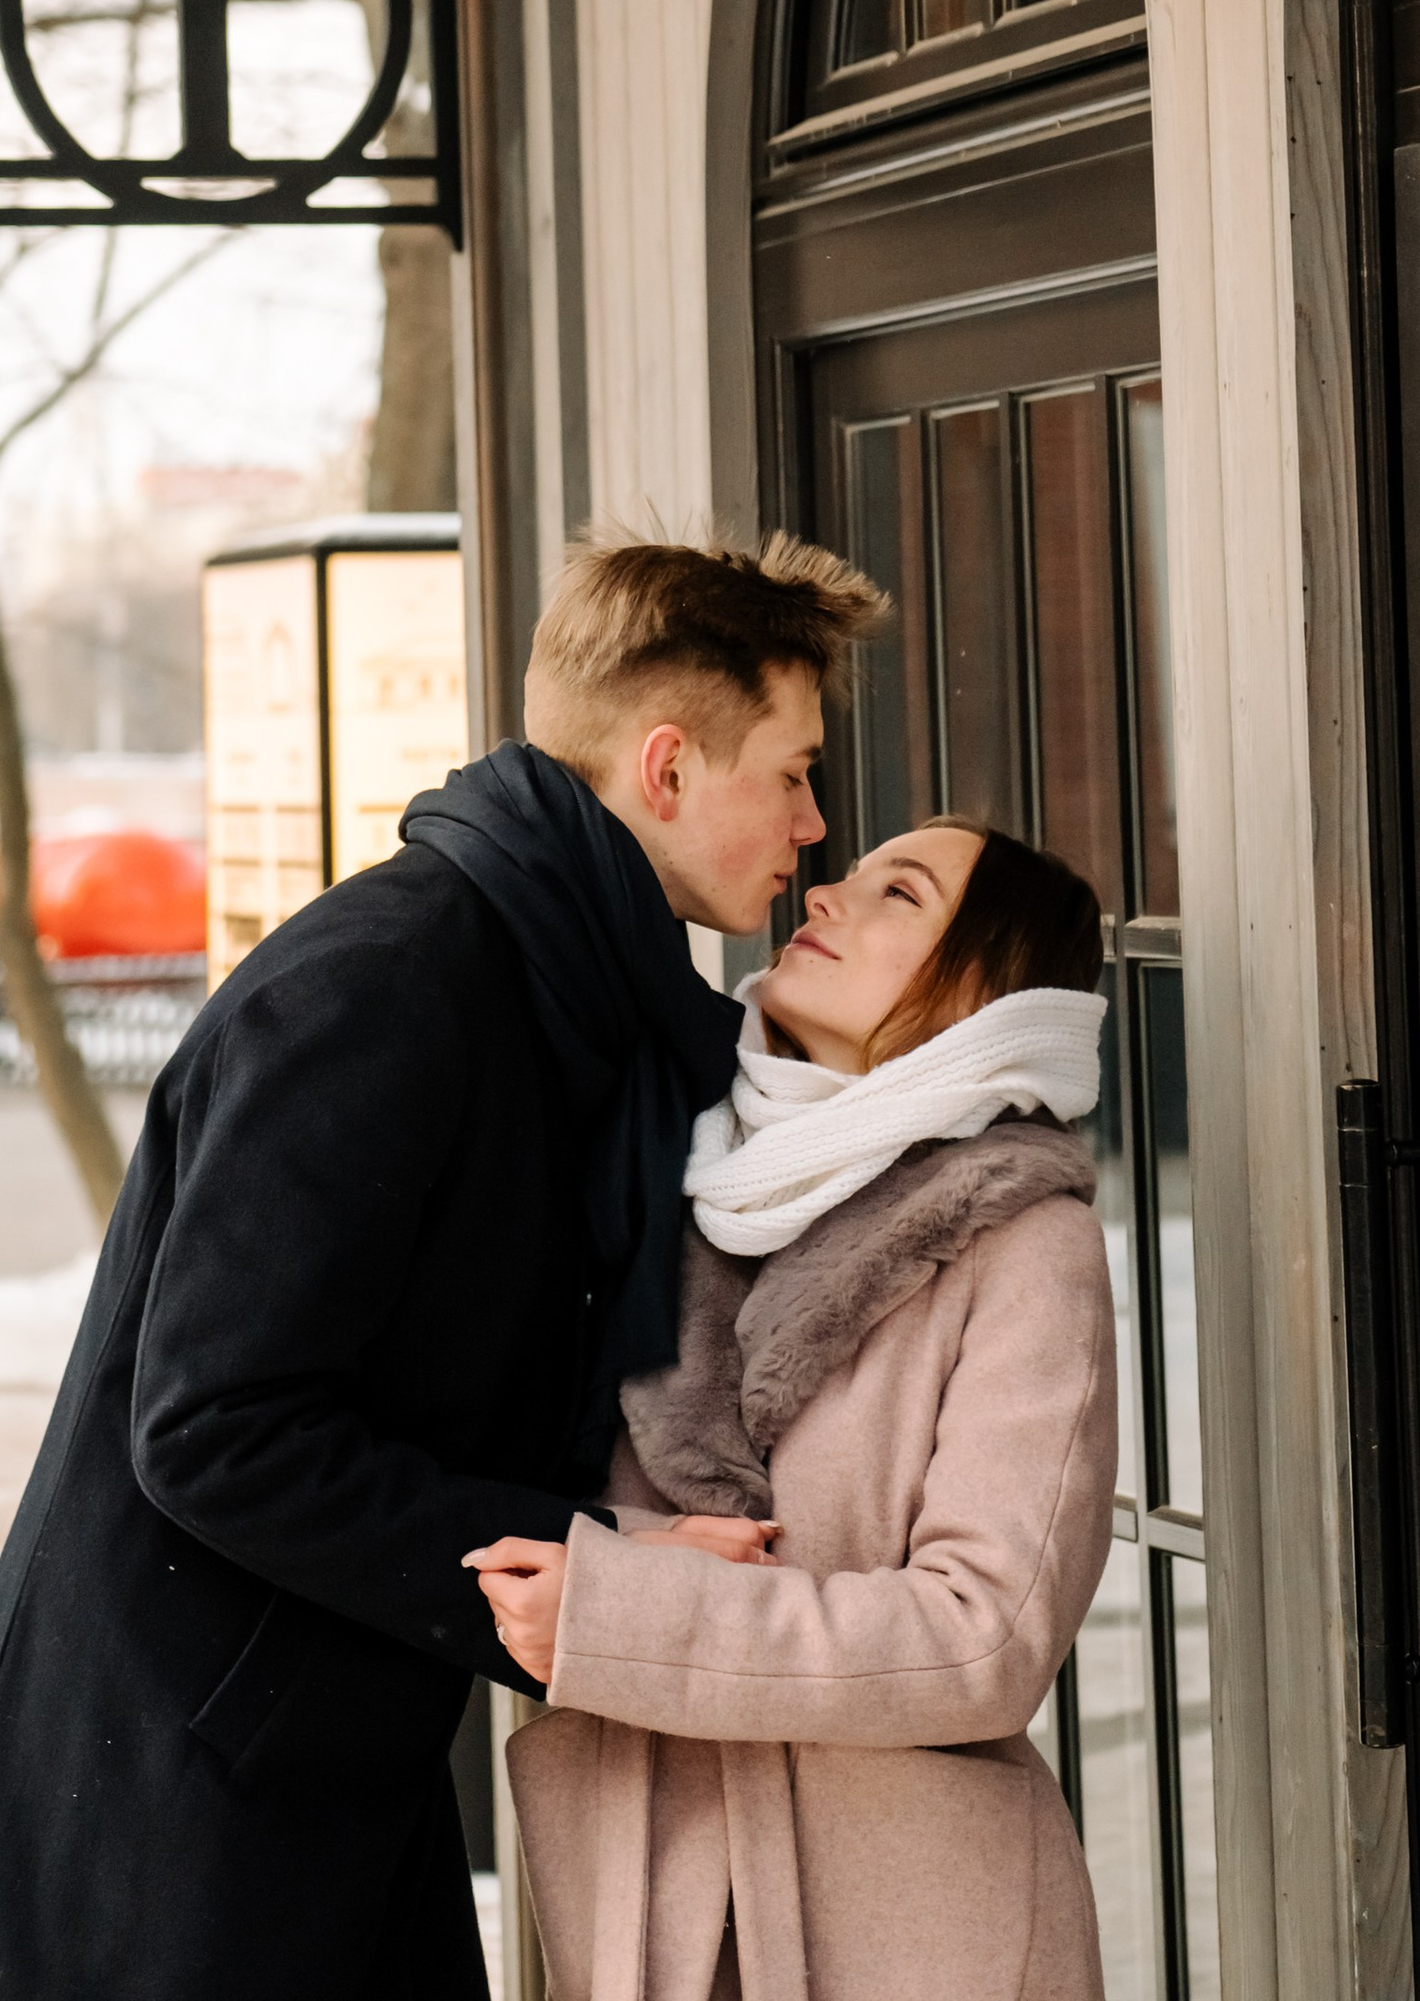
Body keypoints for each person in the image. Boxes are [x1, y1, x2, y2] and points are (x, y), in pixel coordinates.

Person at [0, 528, 881, 2001]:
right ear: (667, 768)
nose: (813, 822)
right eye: (791, 769)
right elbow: (211, 1428)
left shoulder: (562, 992)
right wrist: (580, 1552)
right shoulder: (390, 986)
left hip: (316, 1780)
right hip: (166, 1840)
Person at [474, 816, 1115, 2001]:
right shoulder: (674, 1179)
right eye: (850, 872)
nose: (826, 892)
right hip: (655, 1904)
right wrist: (609, 1568)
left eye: (897, 894)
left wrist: (630, 1619)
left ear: (983, 987)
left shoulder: (1025, 1240)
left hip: (910, 1934)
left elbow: (986, 1634)